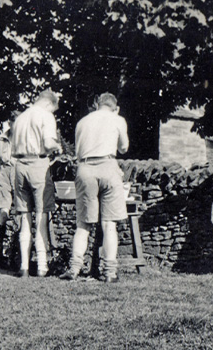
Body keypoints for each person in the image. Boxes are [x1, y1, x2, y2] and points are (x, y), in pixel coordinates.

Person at [60, 93, 129, 283]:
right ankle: (110, 272)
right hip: (108, 165)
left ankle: (74, 268)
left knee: (83, 224)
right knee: (109, 224)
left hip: (85, 168)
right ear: (115, 107)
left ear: (97, 104)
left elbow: (79, 150)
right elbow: (124, 148)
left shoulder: (82, 122)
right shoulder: (117, 119)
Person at [11, 90, 62, 278]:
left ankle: (24, 266)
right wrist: (58, 147)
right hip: (38, 164)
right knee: (41, 215)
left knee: (24, 217)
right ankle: (42, 266)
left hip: (19, 166)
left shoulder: (21, 117)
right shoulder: (46, 115)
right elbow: (48, 144)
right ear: (49, 104)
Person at [0, 111, 20, 264]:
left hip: (19, 174)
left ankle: (13, 249)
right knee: (3, 211)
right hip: (4, 175)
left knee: (21, 211)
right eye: (14, 123)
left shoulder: (24, 138)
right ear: (10, 122)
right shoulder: (0, 140)